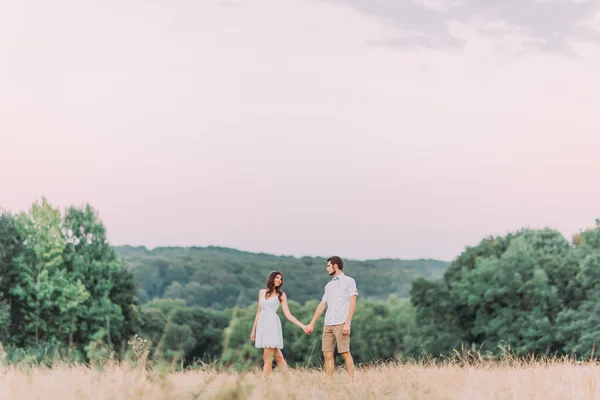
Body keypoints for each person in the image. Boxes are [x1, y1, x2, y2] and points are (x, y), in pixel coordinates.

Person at [304, 256, 358, 379]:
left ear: (335, 266)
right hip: (328, 323)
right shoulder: (328, 285)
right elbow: (322, 304)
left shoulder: (349, 281)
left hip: (341, 323)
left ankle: (352, 381)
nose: (327, 268)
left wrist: (347, 323)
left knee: (345, 352)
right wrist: (312, 323)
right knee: (327, 354)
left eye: (328, 266)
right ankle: (329, 382)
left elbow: (353, 303)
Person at [250, 270, 306, 381]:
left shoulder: (281, 295)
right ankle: (288, 382)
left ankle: (263, 383)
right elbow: (258, 311)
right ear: (271, 278)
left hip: (272, 325)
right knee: (279, 357)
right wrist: (253, 329)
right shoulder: (262, 292)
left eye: (281, 279)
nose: (279, 280)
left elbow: (288, 315)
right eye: (277, 277)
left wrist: (303, 326)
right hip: (262, 324)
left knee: (267, 359)